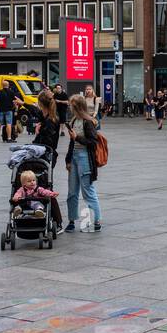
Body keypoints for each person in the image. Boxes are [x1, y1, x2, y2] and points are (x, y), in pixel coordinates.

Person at [63, 93, 101, 232]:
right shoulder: (73, 121)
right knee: (72, 192)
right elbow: (71, 143)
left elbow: (93, 143)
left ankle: (96, 220)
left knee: (87, 191)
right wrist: (68, 159)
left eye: (72, 106)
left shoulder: (88, 122)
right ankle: (72, 220)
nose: (70, 109)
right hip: (74, 156)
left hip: (85, 157)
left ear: (78, 107)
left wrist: (77, 137)